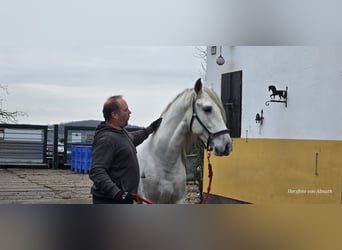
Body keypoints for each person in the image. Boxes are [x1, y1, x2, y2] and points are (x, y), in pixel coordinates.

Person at [89, 95, 162, 204]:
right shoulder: (107, 139)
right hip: (110, 201)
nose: (130, 112)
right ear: (114, 115)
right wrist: (117, 193)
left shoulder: (120, 133)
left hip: (122, 200)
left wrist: (150, 129)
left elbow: (134, 137)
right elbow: (97, 171)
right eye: (125, 110)